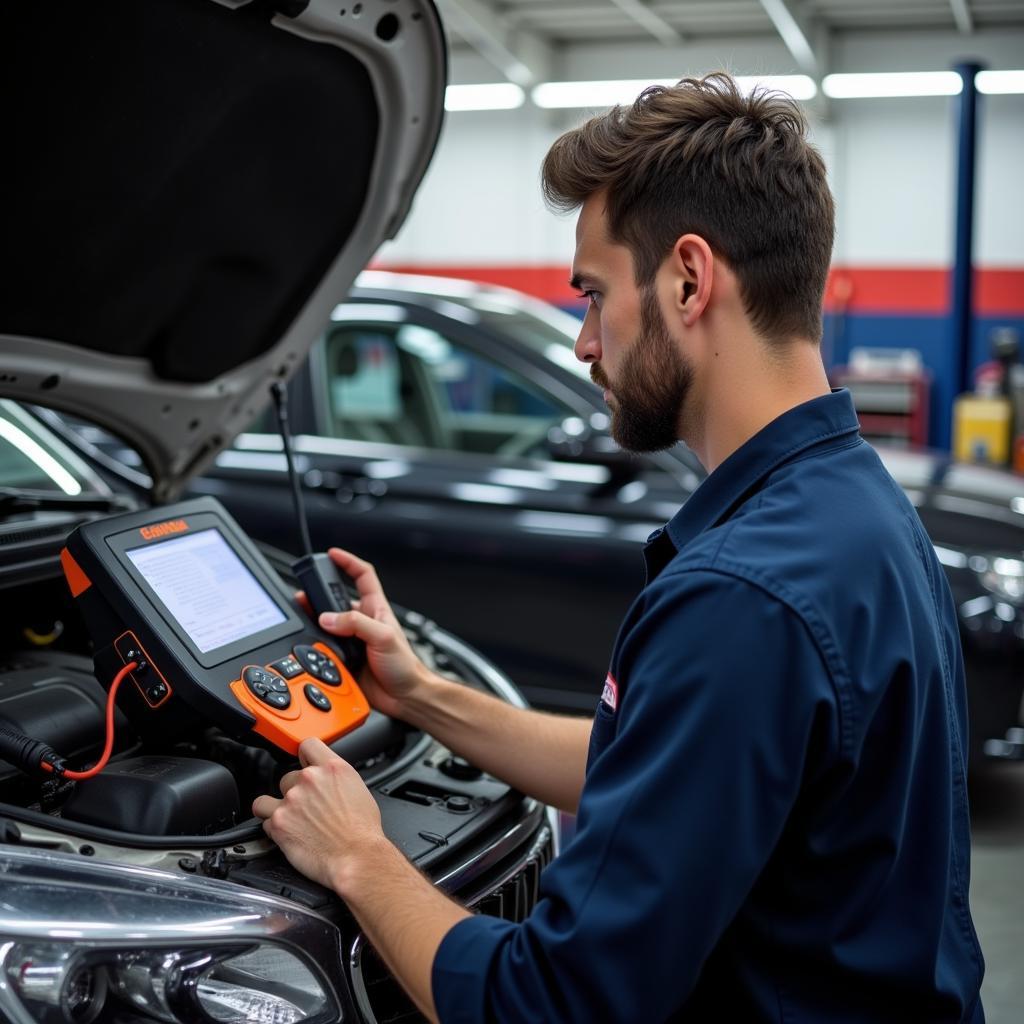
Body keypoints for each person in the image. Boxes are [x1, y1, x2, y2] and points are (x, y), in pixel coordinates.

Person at [253, 72, 985, 1022]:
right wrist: (423, 694)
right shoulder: (856, 508)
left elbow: (551, 1004)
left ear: (689, 278)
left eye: (594, 296)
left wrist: (358, 855)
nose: (583, 344)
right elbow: (656, 775)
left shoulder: (742, 596)